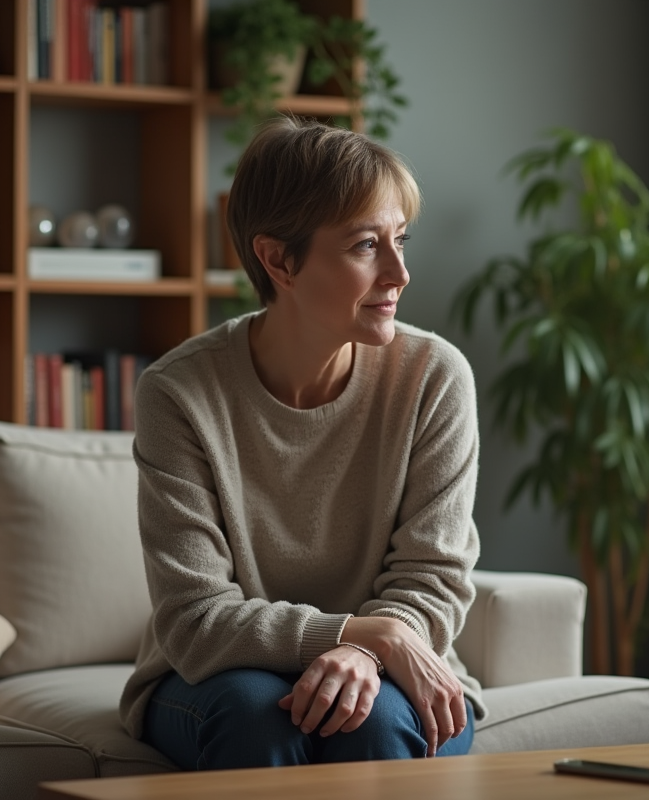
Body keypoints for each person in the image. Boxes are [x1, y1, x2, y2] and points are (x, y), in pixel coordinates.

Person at [119, 116, 483, 770]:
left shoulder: (434, 378)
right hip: (223, 674)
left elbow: (434, 577)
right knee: (259, 720)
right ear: (278, 259)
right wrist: (357, 633)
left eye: (401, 240)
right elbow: (195, 618)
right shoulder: (179, 393)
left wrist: (371, 650)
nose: (399, 273)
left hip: (393, 669)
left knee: (370, 722)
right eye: (367, 246)